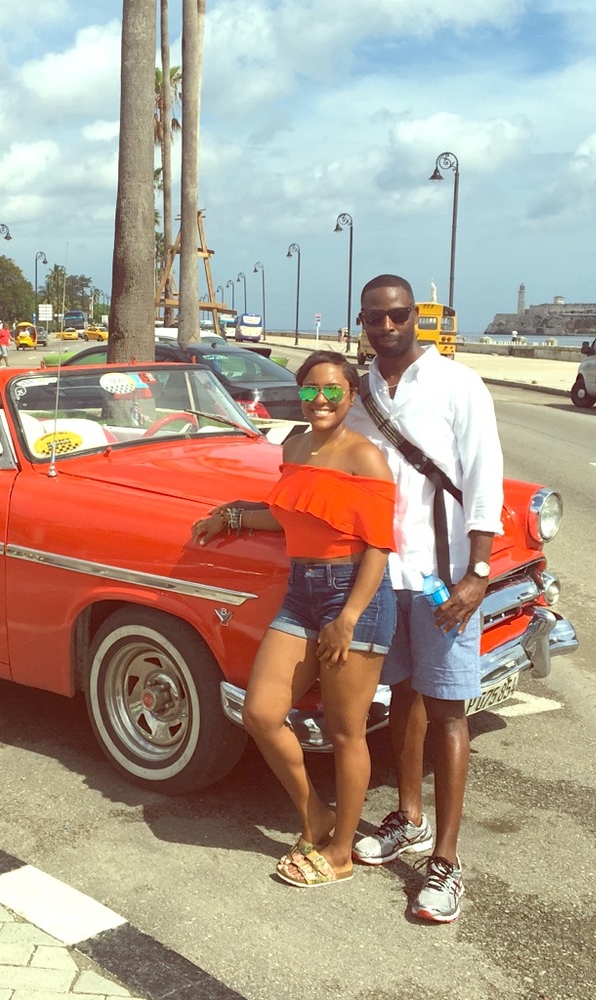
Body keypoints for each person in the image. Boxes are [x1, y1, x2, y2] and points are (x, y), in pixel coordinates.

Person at [191, 351, 396, 887]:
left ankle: (343, 852)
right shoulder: (294, 446)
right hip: (302, 592)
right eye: (310, 390)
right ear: (299, 394)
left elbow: (378, 547)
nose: (321, 400)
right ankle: (315, 816)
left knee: (347, 732)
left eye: (333, 390)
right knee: (260, 713)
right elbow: (291, 515)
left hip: (354, 595)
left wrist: (348, 618)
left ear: (351, 397)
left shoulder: (364, 457)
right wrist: (233, 515)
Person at [346, 274, 504, 923]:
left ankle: (446, 860)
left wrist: (480, 573)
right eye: (375, 319)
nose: (387, 327)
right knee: (403, 695)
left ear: (419, 317)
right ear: (363, 323)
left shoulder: (457, 385)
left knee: (448, 710)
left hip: (444, 578)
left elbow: (484, 475)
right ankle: (407, 818)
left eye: (398, 316)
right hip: (388, 574)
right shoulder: (360, 392)